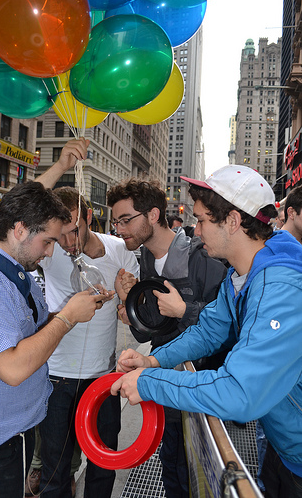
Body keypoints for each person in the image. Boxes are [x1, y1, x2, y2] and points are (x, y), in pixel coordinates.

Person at [110, 164, 302, 498]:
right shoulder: (242, 276)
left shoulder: (280, 288)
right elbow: (208, 332)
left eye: (201, 220)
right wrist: (153, 363)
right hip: (284, 447)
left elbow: (241, 393)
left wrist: (150, 383)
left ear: (232, 221)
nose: (196, 231)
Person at [0, 181, 107, 498]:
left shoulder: (16, 276)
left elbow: (33, 332)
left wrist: (70, 312)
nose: (49, 252)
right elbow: (13, 368)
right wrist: (68, 316)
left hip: (16, 434)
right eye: (47, 242)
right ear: (20, 230)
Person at [31, 139, 139, 498]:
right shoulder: (49, 251)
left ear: (88, 217)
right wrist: (61, 165)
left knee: (103, 463)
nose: (66, 243)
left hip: (102, 379)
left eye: (73, 231)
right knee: (55, 470)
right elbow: (22, 206)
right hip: (58, 378)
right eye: (58, 237)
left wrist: (126, 302)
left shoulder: (121, 251)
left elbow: (132, 319)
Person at [106, 178, 227, 498]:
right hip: (164, 377)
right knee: (170, 461)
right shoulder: (145, 259)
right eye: (115, 221)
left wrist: (184, 309)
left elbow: (228, 327)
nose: (119, 228)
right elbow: (151, 330)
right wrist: (130, 305)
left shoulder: (202, 257)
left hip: (202, 386)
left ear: (154, 215)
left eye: (126, 219)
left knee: (196, 470)